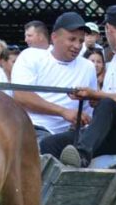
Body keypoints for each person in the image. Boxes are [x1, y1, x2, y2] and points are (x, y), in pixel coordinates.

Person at [41, 5, 116, 167]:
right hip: (110, 133)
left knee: (107, 104)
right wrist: (91, 97)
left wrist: (97, 95)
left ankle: (82, 155)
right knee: (50, 144)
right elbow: (110, 104)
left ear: (109, 28)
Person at [11, 12, 96, 141]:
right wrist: (63, 112)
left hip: (72, 133)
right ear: (54, 37)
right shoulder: (31, 56)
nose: (77, 46)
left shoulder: (88, 67)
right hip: (34, 128)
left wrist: (83, 118)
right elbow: (22, 95)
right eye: (72, 39)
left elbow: (89, 106)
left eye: (81, 41)